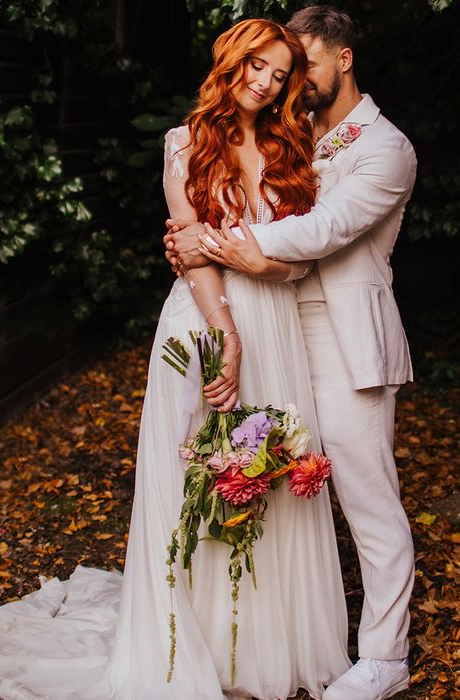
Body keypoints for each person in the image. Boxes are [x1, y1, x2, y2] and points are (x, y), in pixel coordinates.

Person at [0, 19, 350, 700]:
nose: (266, 81)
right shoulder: (185, 144)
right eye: (258, 64)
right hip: (205, 324)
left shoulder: (290, 147)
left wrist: (249, 256)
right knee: (198, 475)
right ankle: (190, 645)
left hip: (277, 322)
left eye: (280, 73)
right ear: (232, 59)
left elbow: (295, 264)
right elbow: (192, 262)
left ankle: (258, 651)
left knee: (270, 476)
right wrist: (227, 333)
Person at [165, 6, 417, 699]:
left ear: (344, 58)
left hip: (345, 343)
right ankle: (270, 639)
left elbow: (324, 229)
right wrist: (198, 235)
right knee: (275, 491)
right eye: (285, 67)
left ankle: (385, 658)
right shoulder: (293, 132)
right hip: (275, 329)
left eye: (305, 64)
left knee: (368, 498)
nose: (292, 80)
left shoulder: (385, 148)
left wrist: (210, 241)